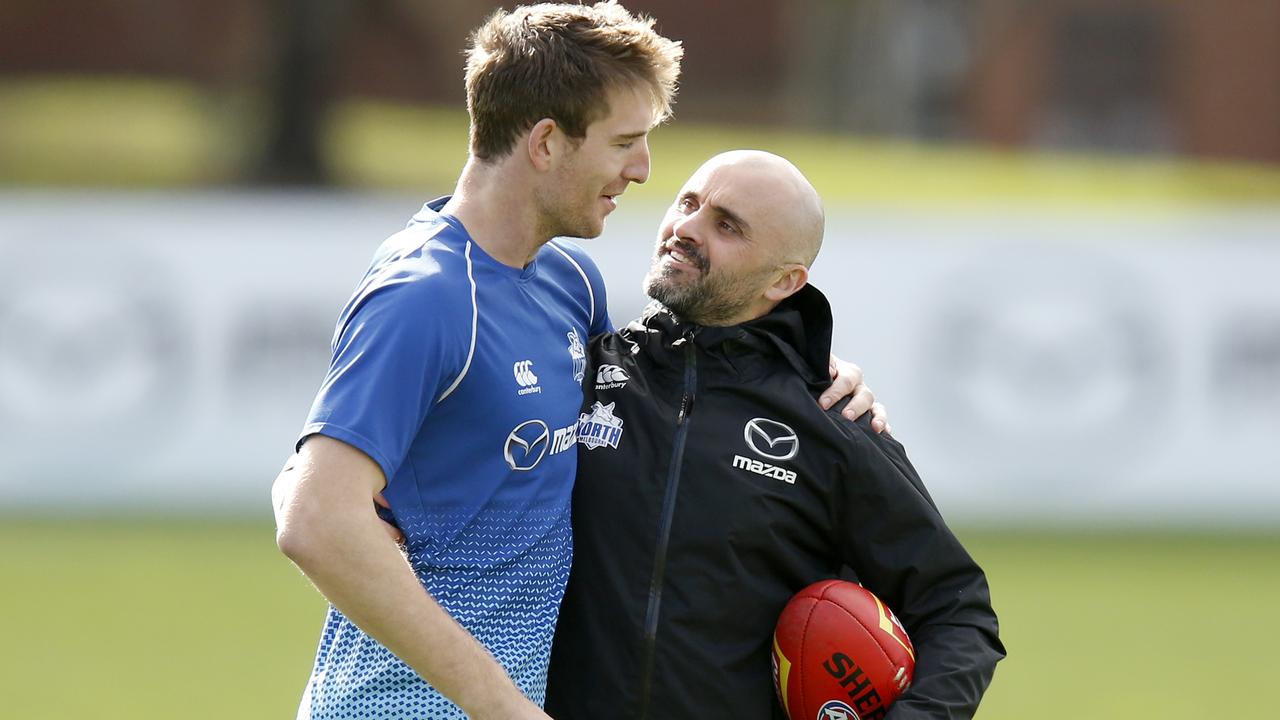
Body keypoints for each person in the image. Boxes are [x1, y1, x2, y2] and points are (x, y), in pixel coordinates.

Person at [271, 5, 876, 719]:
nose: (643, 169)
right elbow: (316, 520)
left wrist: (808, 371)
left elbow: (663, 394)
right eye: (625, 141)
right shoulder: (427, 294)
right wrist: (501, 706)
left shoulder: (567, 280)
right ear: (548, 143)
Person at [544, 150, 1005, 719]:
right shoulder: (581, 374)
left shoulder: (832, 424)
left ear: (785, 281)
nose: (686, 229)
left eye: (727, 225)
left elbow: (958, 611)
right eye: (688, 203)